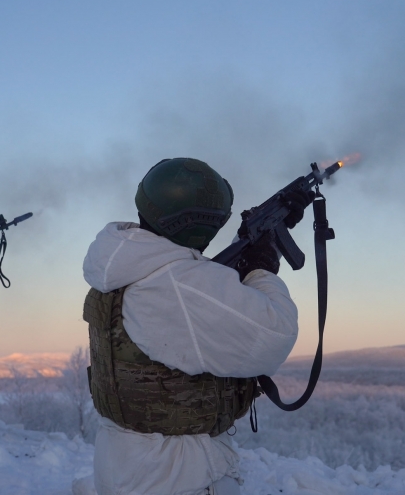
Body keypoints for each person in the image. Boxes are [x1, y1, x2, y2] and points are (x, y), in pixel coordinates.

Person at [83, 158, 312, 495]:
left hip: (125, 465)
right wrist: (262, 266)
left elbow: (203, 296)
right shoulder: (177, 286)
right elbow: (275, 333)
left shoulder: (126, 266)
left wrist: (253, 242)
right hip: (179, 475)